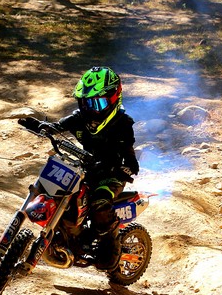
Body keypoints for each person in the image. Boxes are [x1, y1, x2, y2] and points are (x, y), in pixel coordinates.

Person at [19, 66, 139, 272]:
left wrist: (121, 169)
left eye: (98, 103)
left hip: (110, 177)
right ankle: (68, 232)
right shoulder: (80, 118)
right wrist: (39, 126)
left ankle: (110, 246)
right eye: (86, 102)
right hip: (85, 169)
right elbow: (57, 127)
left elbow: (131, 162)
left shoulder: (122, 124)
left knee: (100, 203)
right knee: (57, 189)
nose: (91, 108)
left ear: (114, 99)